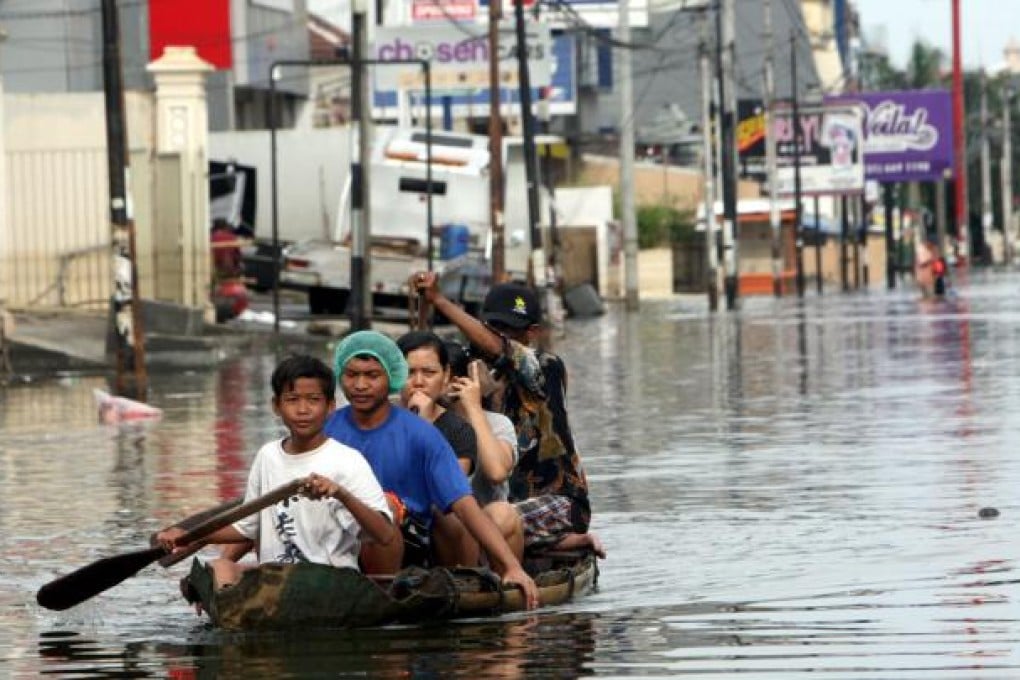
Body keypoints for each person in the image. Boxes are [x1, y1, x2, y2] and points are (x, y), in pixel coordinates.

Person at [323, 330, 540, 608]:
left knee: (388, 509)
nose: (361, 385)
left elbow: (463, 503)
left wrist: (511, 566)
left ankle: (387, 594)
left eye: (372, 376)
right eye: (352, 376)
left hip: (409, 537)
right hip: (340, 532)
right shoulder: (327, 430)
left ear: (390, 376)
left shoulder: (426, 433)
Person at [155, 354, 396, 590]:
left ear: (330, 406)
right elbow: (248, 527)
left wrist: (340, 494)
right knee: (220, 567)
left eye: (313, 400)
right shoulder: (267, 456)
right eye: (292, 400)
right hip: (275, 582)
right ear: (276, 406)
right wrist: (191, 537)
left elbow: (384, 535)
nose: (303, 410)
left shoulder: (347, 461)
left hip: (329, 582)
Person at [414, 273, 605, 559]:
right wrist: (423, 307)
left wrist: (440, 300)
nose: (498, 336)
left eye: (509, 331)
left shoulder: (545, 367)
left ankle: (556, 541)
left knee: (487, 523)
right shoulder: (473, 374)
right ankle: (553, 545)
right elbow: (424, 364)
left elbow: (500, 350)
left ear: (532, 333)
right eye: (493, 327)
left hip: (557, 503)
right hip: (496, 502)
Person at [445, 340, 525, 560]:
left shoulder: (497, 424)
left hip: (487, 527)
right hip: (438, 531)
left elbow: (497, 472)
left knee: (504, 514)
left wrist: (473, 408)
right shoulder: (414, 418)